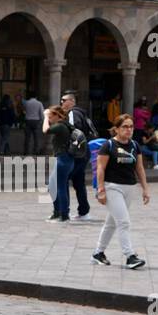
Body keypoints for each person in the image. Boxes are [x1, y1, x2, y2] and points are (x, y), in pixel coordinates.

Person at [92, 113, 149, 270]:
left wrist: (145, 188)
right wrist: (101, 189)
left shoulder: (135, 145)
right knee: (124, 222)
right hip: (112, 187)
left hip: (130, 187)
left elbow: (139, 168)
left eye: (131, 126)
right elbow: (100, 168)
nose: (129, 129)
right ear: (116, 129)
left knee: (111, 223)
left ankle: (98, 253)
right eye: (125, 126)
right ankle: (130, 256)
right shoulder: (109, 145)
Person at [47, 92, 96, 221]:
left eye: (64, 100)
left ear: (72, 101)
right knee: (78, 182)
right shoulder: (83, 113)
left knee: (60, 182)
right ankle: (83, 212)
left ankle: (63, 212)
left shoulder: (73, 113)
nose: (62, 102)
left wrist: (69, 151)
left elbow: (74, 132)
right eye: (61, 100)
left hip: (76, 154)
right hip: (82, 153)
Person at [45, 104, 75, 222]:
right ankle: (58, 212)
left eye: (51, 116)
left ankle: (64, 215)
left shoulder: (61, 126)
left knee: (60, 187)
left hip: (63, 160)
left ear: (57, 116)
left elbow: (45, 130)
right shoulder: (65, 125)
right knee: (54, 186)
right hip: (65, 159)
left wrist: (45, 118)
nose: (50, 119)